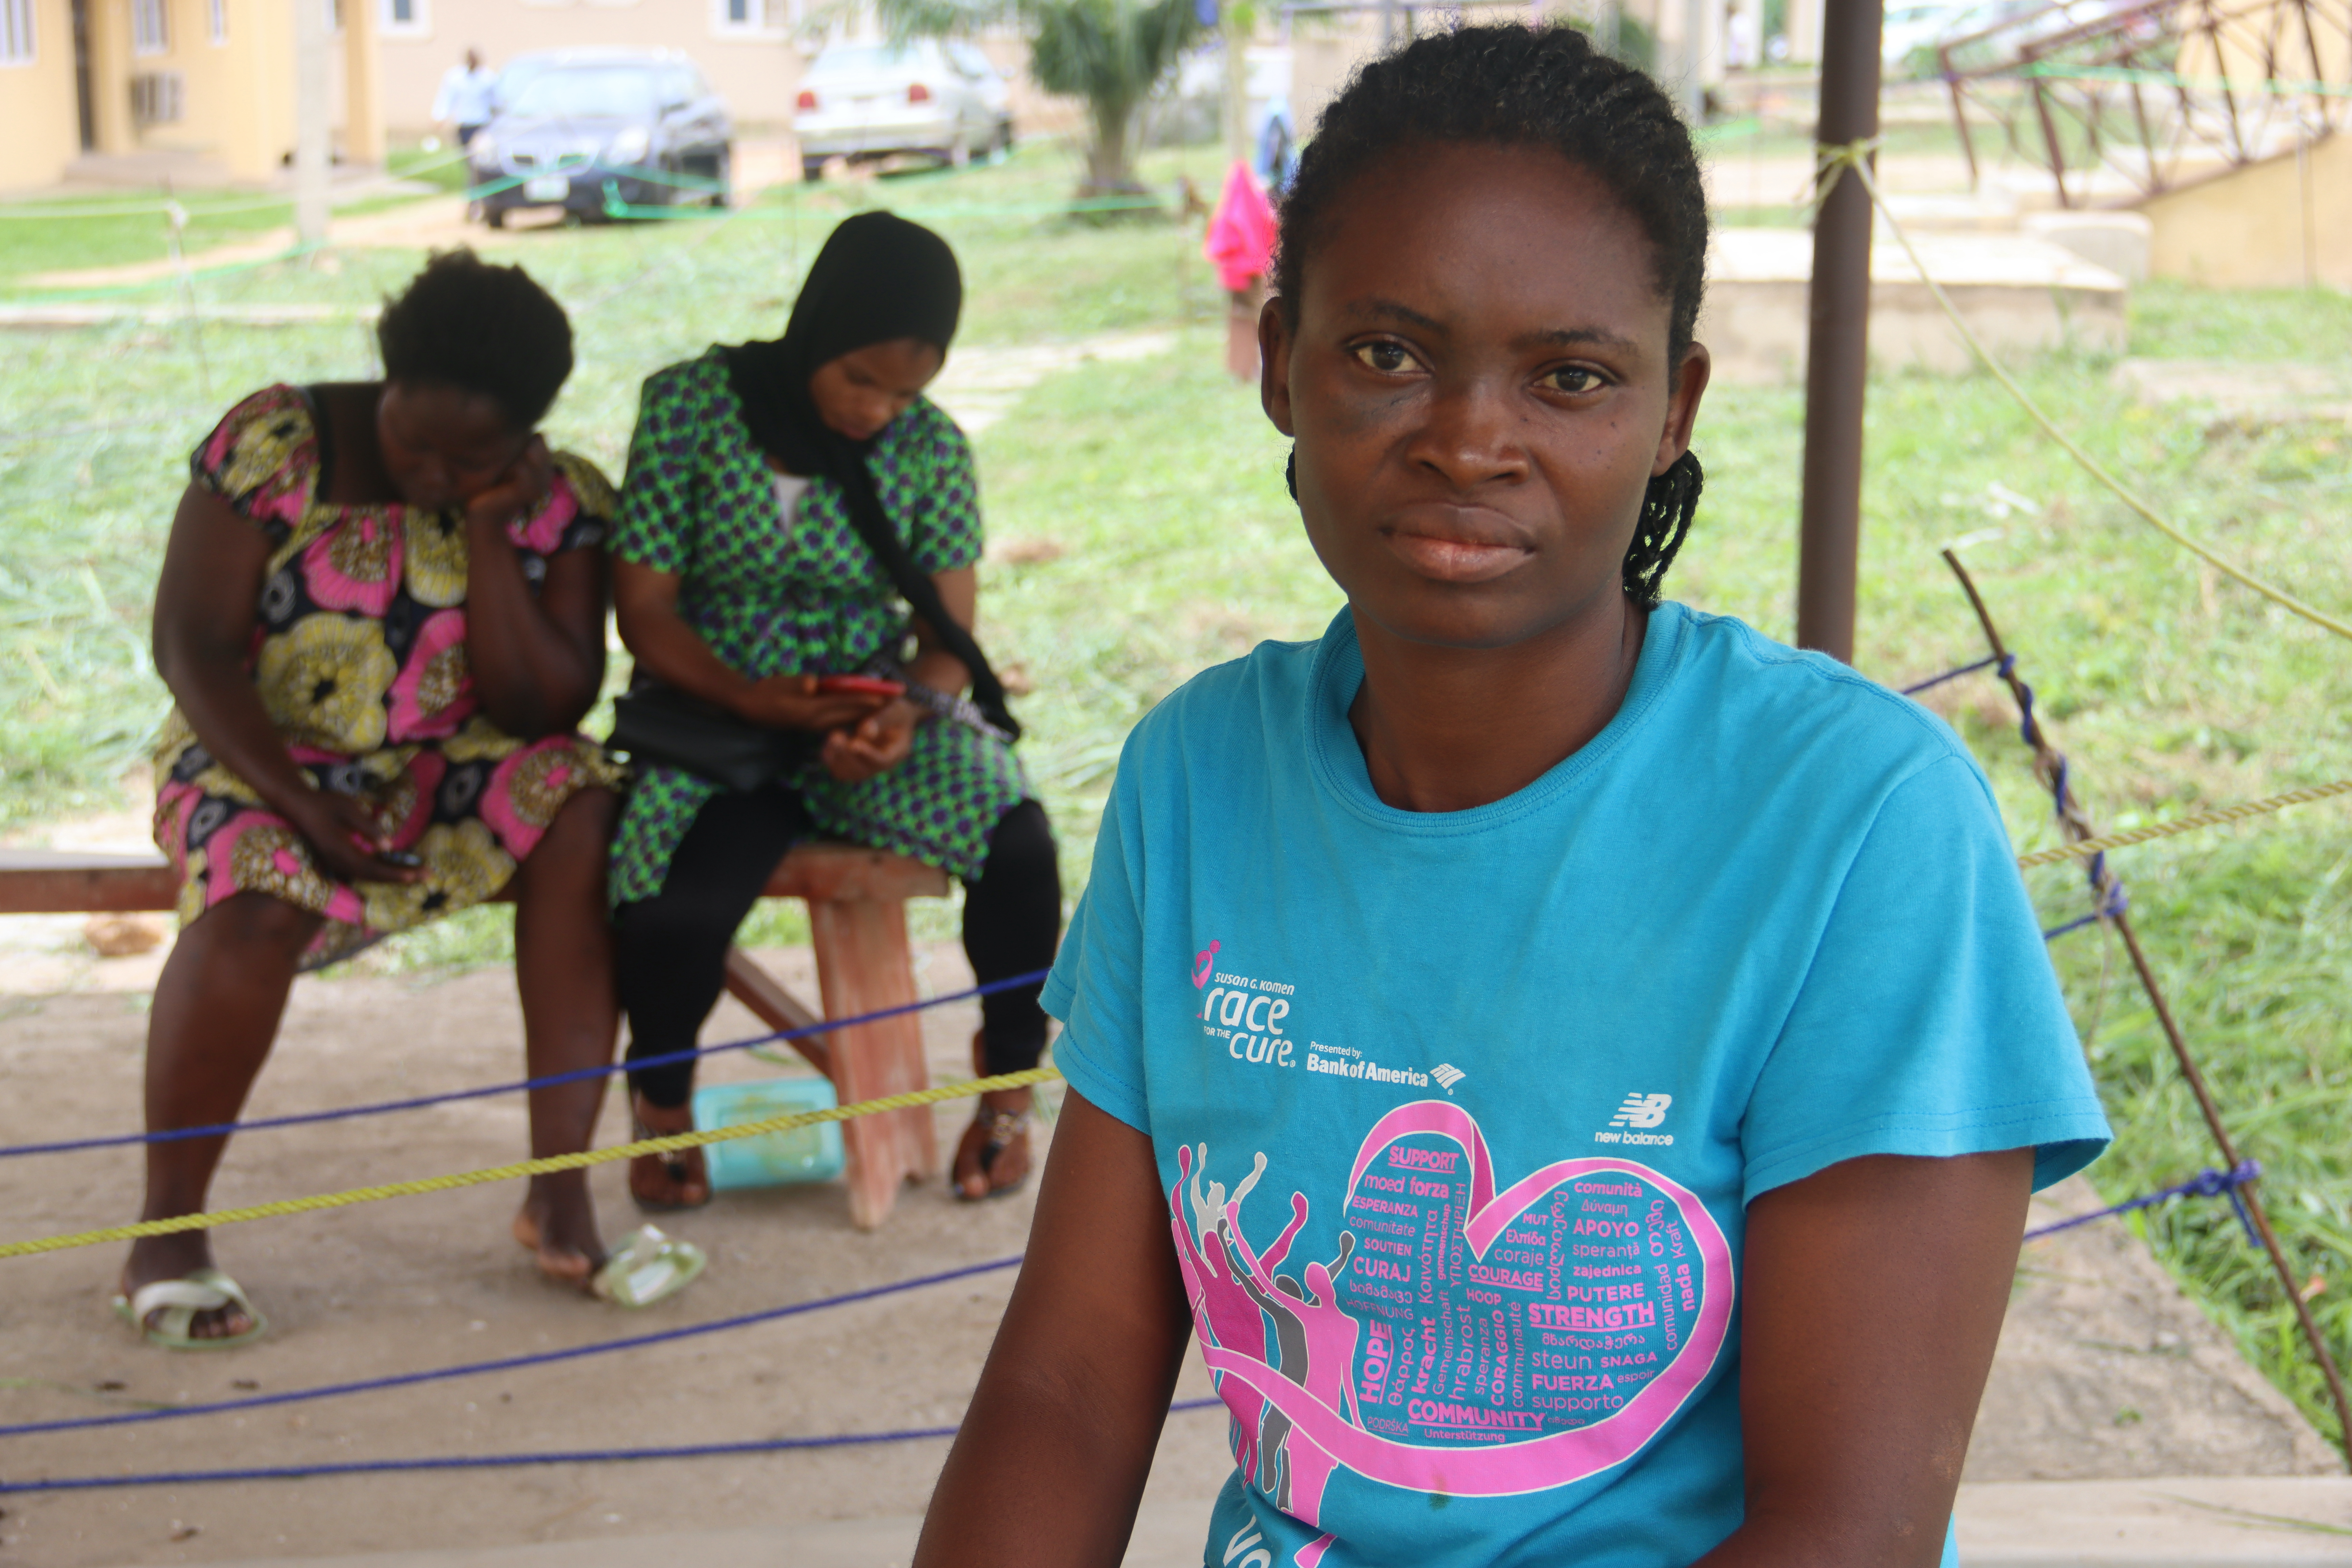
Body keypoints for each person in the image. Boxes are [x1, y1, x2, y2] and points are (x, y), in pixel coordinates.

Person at [914, 26, 2110, 1568]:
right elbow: (1066, 1388)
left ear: (1672, 408)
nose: (1471, 439)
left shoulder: (1857, 827)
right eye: (1389, 352)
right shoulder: (1197, 777)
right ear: (1283, 361)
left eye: (1569, 376)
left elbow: (1848, 1528)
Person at [122, 251, 690, 1351]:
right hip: (256, 749)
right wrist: (296, 800)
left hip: (446, 763)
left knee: (581, 807)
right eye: (415, 440)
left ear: (527, 438)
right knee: (255, 901)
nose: (432, 468)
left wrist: (487, 531)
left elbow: (548, 704)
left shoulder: (556, 501)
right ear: (386, 379)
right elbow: (188, 644)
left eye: (469, 456)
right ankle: (169, 1232)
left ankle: (559, 1189)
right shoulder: (279, 445)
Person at [607, 211, 1061, 1211]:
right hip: (713, 716)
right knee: (667, 899)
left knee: (1017, 839)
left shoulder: (932, 452)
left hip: (866, 717)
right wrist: (748, 696)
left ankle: (1006, 1098)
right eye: (859, 379)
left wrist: (902, 717)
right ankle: (664, 1110)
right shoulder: (689, 408)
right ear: (816, 329)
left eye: (906, 391)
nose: (877, 410)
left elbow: (948, 637)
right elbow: (641, 607)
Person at [434, 49, 497, 148]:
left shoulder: (488, 78)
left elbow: (496, 101)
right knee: (466, 152)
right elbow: (447, 99)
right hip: (464, 124)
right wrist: (440, 117)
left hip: (483, 124)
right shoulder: (455, 78)